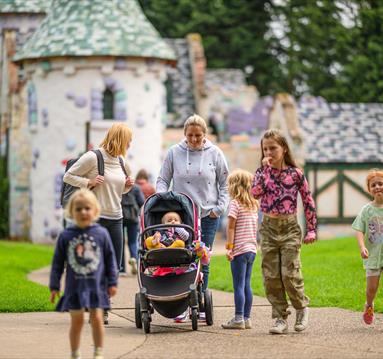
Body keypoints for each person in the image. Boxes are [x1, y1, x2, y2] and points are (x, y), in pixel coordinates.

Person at [157, 113, 229, 321]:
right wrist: (163, 199)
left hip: (208, 214)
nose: (194, 140)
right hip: (182, 216)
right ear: (185, 134)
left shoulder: (215, 153)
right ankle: (181, 304)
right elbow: (163, 179)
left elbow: (224, 184)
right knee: (180, 258)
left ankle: (200, 301)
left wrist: (219, 208)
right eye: (190, 135)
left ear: (205, 135)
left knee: (202, 259)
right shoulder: (174, 153)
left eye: (198, 135)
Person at [63, 122, 133, 324]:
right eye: (128, 141)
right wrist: (89, 183)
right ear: (119, 139)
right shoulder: (94, 157)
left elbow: (119, 191)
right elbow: (69, 176)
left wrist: (127, 186)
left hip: (116, 218)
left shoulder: (121, 162)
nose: (129, 146)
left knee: (114, 266)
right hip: (96, 219)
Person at [252, 129, 317, 335]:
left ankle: (301, 308)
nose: (269, 152)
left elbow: (308, 201)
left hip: (289, 228)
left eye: (273, 148)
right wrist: (267, 172)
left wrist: (311, 230)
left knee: (289, 273)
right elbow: (255, 193)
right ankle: (279, 317)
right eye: (265, 149)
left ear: (284, 148)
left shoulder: (295, 174)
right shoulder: (261, 173)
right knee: (271, 276)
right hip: (269, 228)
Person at [49, 189, 118, 359]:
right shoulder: (66, 235)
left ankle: (98, 353)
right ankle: (75, 353)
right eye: (78, 209)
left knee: (97, 320)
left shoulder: (101, 234)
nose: (83, 212)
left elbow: (110, 259)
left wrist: (113, 282)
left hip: (96, 287)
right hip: (75, 287)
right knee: (77, 322)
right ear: (71, 212)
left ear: (95, 210)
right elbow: (58, 262)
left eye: (87, 208)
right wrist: (54, 286)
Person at [222, 169, 258, 330]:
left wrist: (230, 248)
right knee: (247, 284)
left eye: (229, 184)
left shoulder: (235, 204)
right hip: (251, 249)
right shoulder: (253, 205)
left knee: (238, 285)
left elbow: (231, 228)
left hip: (239, 250)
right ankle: (246, 318)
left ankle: (238, 319)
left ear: (235, 186)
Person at [352, 168, 383, 325]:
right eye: (374, 185)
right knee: (372, 288)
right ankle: (369, 305)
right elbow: (358, 228)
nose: (377, 187)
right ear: (370, 189)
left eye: (381, 184)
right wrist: (362, 246)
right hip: (372, 254)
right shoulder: (367, 209)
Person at [121, 184, 145, 275]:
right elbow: (142, 202)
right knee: (133, 242)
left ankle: (122, 269)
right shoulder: (135, 188)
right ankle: (135, 261)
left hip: (120, 218)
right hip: (133, 218)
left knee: (121, 243)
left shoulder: (118, 186)